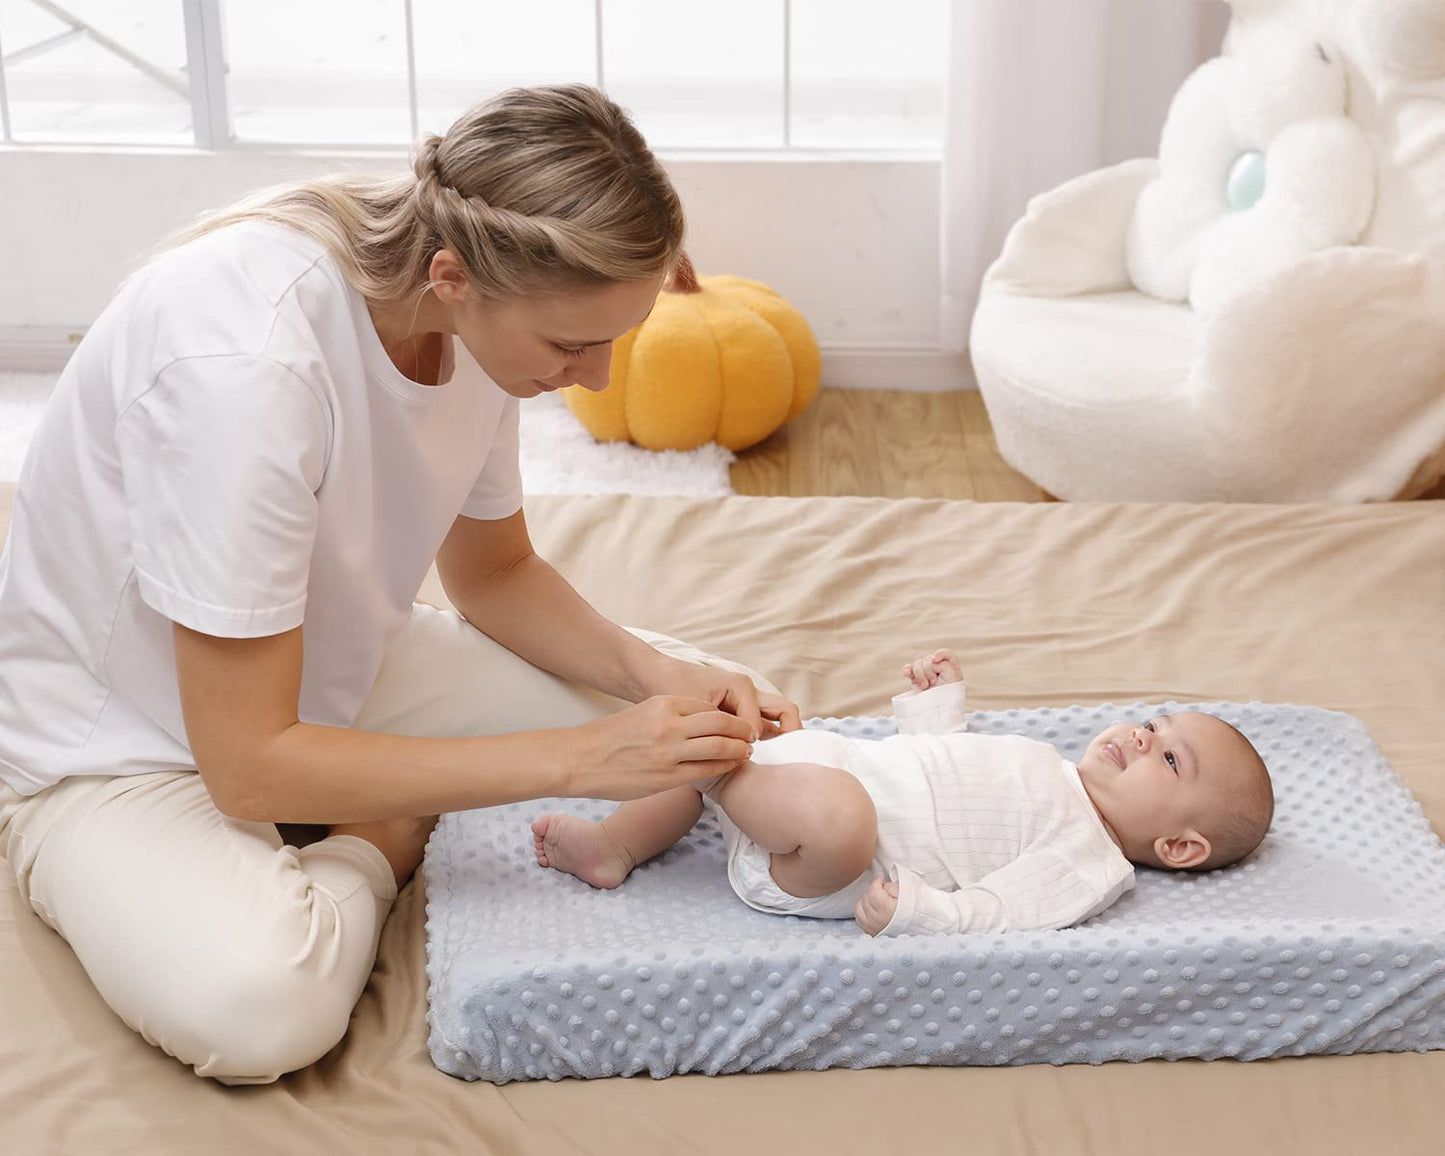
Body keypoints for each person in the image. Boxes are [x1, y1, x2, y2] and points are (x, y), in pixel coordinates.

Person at [0, 84, 799, 1084]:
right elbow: (244, 766)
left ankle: (384, 787)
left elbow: (496, 575)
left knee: (701, 732)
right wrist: (570, 759)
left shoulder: (470, 311)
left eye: (610, 339)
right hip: (123, 743)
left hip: (332, 655)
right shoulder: (246, 370)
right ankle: (376, 837)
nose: (593, 379)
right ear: (453, 275)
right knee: (260, 1010)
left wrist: (659, 671)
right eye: (569, 346)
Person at [533, 648, 1274, 936]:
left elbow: (1004, 913)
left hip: (828, 859)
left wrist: (923, 913)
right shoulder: (1049, 765)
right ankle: (614, 845)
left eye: (1169, 761)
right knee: (751, 773)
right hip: (818, 777)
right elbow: (945, 765)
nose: (1143, 738)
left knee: (828, 809)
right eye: (1153, 724)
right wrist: (938, 708)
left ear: (1178, 845)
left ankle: (722, 768)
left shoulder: (1089, 861)